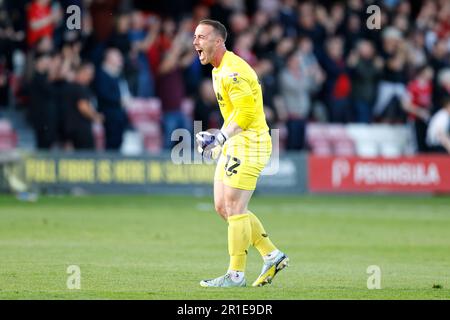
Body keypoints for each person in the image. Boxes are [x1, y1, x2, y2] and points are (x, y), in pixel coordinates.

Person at [193, 19, 288, 288]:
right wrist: (219, 137)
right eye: (195, 36)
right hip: (236, 141)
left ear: (218, 41)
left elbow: (246, 115)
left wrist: (221, 137)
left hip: (251, 142)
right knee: (223, 207)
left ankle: (236, 275)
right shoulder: (218, 70)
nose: (195, 42)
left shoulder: (232, 72)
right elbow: (236, 112)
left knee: (235, 207)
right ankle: (272, 255)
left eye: (201, 37)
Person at [94, 48, 130, 150]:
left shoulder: (117, 74)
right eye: (117, 57)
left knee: (119, 142)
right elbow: (103, 93)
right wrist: (119, 100)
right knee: (111, 143)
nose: (120, 59)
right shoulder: (101, 74)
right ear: (109, 58)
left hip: (119, 116)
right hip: (109, 115)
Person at [63, 63, 103, 150]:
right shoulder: (80, 88)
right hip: (81, 129)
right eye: (89, 74)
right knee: (85, 157)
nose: (90, 77)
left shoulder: (70, 86)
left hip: (70, 128)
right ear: (81, 73)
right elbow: (83, 107)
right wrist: (95, 116)